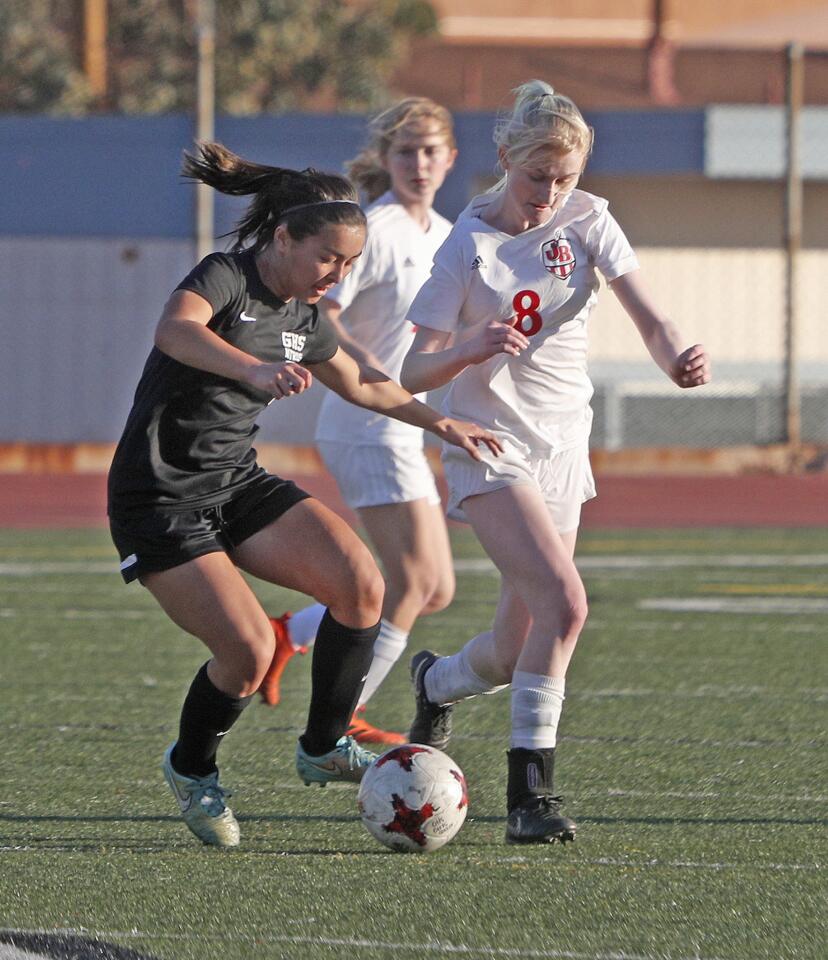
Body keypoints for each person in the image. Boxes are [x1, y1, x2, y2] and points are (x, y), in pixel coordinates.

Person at [106, 141, 502, 849]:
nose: (338, 275)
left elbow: (365, 381)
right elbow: (176, 329)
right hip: (160, 495)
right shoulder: (228, 276)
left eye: (350, 263)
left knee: (360, 583)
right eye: (328, 258)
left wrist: (440, 421)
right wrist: (251, 371)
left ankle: (323, 744)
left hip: (235, 482)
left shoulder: (306, 314)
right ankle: (193, 769)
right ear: (284, 237)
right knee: (249, 652)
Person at [399, 80, 711, 845]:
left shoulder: (591, 220)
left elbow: (651, 314)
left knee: (514, 647)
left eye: (564, 178)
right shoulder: (465, 246)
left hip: (565, 444)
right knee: (567, 604)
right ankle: (528, 798)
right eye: (537, 175)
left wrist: (677, 358)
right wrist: (470, 347)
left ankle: (435, 682)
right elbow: (412, 370)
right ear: (505, 158)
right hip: (488, 444)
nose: (550, 192)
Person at [256, 98, 458, 746]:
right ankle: (339, 721)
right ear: (385, 161)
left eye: (430, 151)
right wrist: (369, 365)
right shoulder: (378, 227)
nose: (419, 164)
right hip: (365, 420)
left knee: (437, 589)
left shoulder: (446, 233)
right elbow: (326, 313)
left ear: (450, 158)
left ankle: (292, 632)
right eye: (406, 152)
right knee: (413, 581)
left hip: (401, 423)